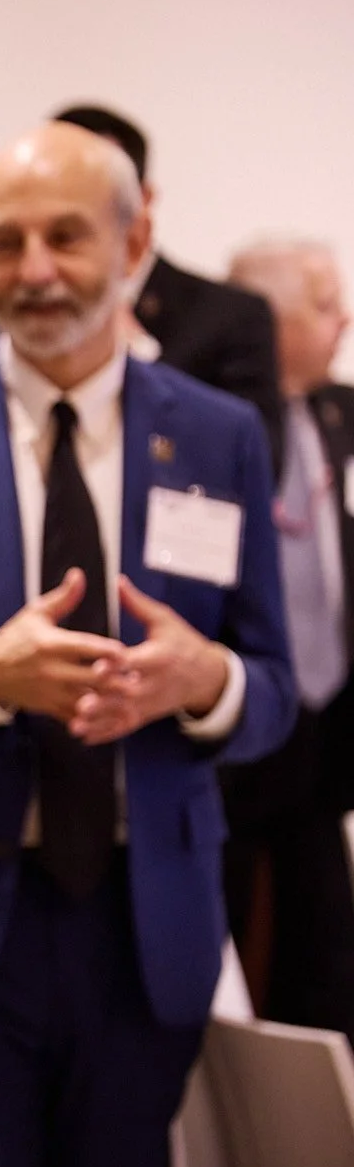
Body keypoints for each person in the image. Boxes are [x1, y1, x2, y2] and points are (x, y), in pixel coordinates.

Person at [0, 122, 296, 1167]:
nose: (34, 271)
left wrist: (207, 681)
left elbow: (275, 685)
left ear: (136, 241)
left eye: (65, 237)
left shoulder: (219, 434)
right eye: (4, 243)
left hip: (149, 929)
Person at [221, 239, 354, 1038]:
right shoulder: (217, 419)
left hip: (329, 722)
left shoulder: (337, 414)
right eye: (326, 303)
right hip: (239, 721)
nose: (345, 320)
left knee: (325, 941)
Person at [54, 104, 284, 471]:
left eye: (91, 192)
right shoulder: (17, 311)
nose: (65, 210)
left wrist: (141, 358)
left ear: (142, 202)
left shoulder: (230, 316)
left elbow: (260, 465)